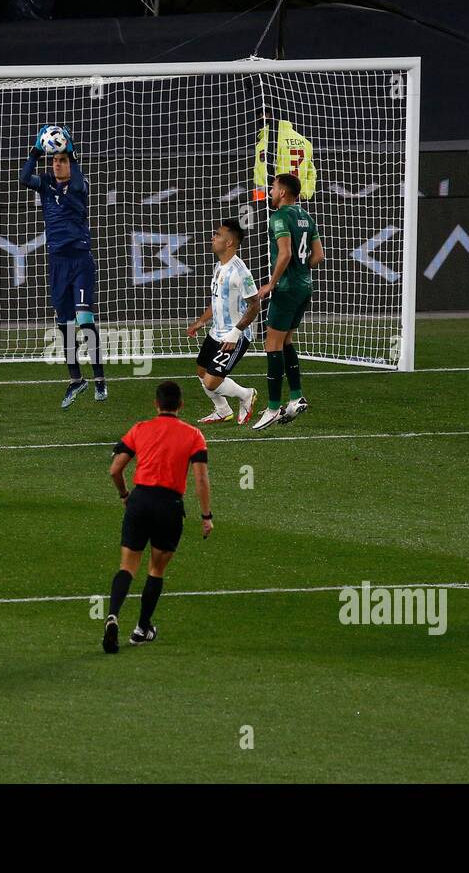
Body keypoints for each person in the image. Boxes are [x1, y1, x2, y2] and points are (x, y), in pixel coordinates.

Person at [104, 381, 211, 653]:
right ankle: (142, 628)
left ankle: (113, 615)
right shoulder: (193, 435)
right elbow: (201, 479)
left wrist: (125, 495)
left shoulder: (140, 429)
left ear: (156, 404)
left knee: (127, 567)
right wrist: (206, 515)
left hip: (139, 501)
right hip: (169, 506)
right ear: (181, 405)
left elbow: (115, 469)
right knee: (156, 569)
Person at [19, 125, 107, 408]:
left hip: (80, 261)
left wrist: (70, 148)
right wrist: (35, 151)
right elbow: (23, 177)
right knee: (64, 325)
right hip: (57, 263)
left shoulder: (81, 185)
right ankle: (75, 380)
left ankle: (100, 380)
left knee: (84, 319)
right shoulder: (44, 183)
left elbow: (77, 176)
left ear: (71, 161)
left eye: (62, 160)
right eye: (54, 160)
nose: (57, 164)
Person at [253, 172, 323, 431]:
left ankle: (272, 408)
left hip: (286, 289)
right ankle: (296, 397)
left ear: (283, 192)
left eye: (273, 187)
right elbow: (318, 256)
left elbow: (285, 253)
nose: (270, 191)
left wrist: (272, 283)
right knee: (286, 341)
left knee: (272, 345)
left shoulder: (279, 217)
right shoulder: (307, 217)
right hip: (305, 286)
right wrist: (300, 271)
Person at [185, 219, 260, 425]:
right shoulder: (219, 266)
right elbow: (217, 300)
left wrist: (235, 333)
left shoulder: (240, 272)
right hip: (216, 332)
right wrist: (201, 322)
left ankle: (246, 395)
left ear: (229, 243)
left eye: (217, 235)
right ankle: (222, 410)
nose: (213, 237)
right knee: (201, 371)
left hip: (235, 336)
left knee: (211, 382)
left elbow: (255, 305)